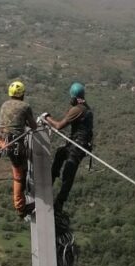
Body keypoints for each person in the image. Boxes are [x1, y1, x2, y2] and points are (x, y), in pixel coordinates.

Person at [40, 82, 94, 211]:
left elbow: (58, 126)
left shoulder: (78, 109)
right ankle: (50, 182)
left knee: (68, 171)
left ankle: (59, 203)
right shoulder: (85, 108)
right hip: (77, 143)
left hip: (78, 145)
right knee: (60, 154)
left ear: (74, 97)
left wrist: (46, 117)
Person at [0, 80, 37, 218]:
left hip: (2, 140)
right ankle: (20, 208)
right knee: (19, 176)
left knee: (21, 170)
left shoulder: (4, 104)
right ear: (22, 94)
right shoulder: (25, 106)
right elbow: (34, 126)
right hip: (14, 144)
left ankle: (22, 200)